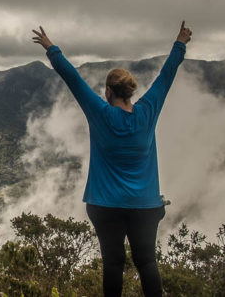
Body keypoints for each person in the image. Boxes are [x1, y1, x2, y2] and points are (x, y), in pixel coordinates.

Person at [31, 21, 192, 296]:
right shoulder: (147, 111)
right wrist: (180, 43)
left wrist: (51, 48)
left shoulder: (101, 113)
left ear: (108, 91)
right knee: (147, 262)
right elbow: (166, 76)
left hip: (105, 205)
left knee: (113, 264)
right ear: (131, 92)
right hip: (145, 205)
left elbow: (73, 79)